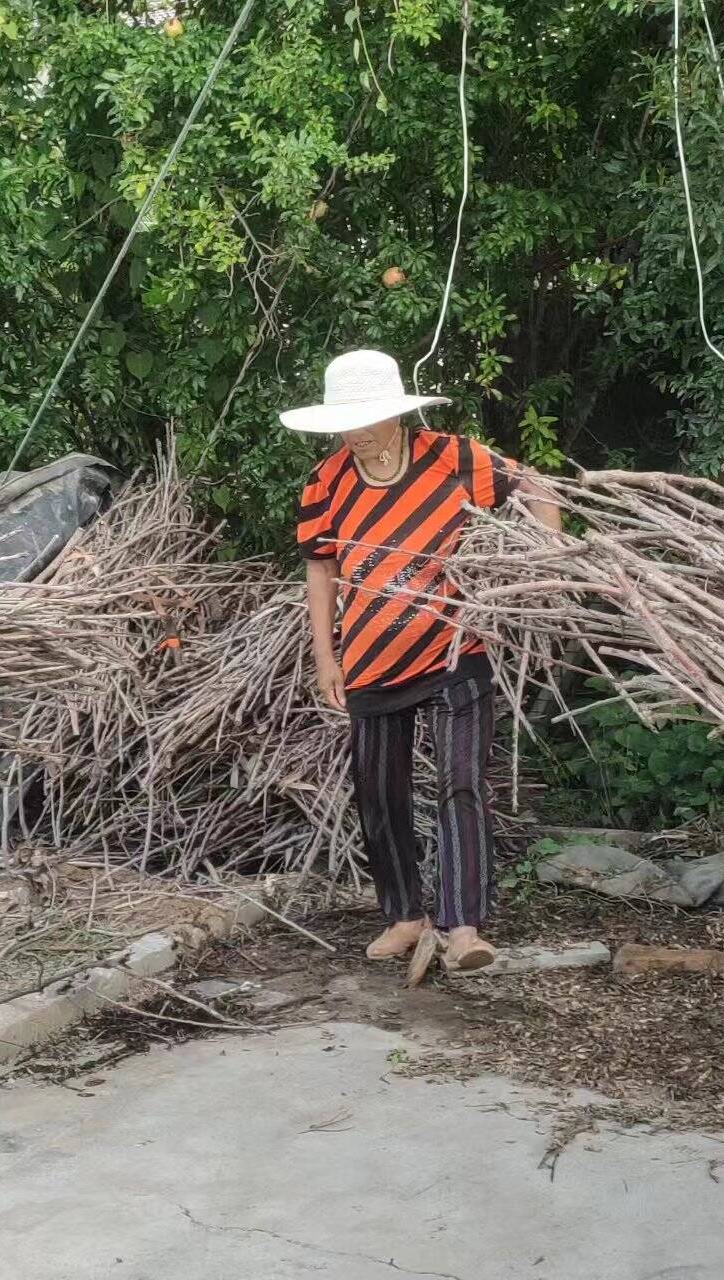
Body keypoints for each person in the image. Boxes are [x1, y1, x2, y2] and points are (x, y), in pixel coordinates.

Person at [286, 349, 560, 972]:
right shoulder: (326, 481)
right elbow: (321, 569)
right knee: (378, 792)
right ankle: (405, 917)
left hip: (455, 650)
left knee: (461, 782)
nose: (356, 433)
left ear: (396, 413)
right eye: (345, 422)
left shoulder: (454, 458)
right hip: (369, 658)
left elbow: (536, 485)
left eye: (367, 419)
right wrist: (326, 656)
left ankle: (464, 926)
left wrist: (546, 554)